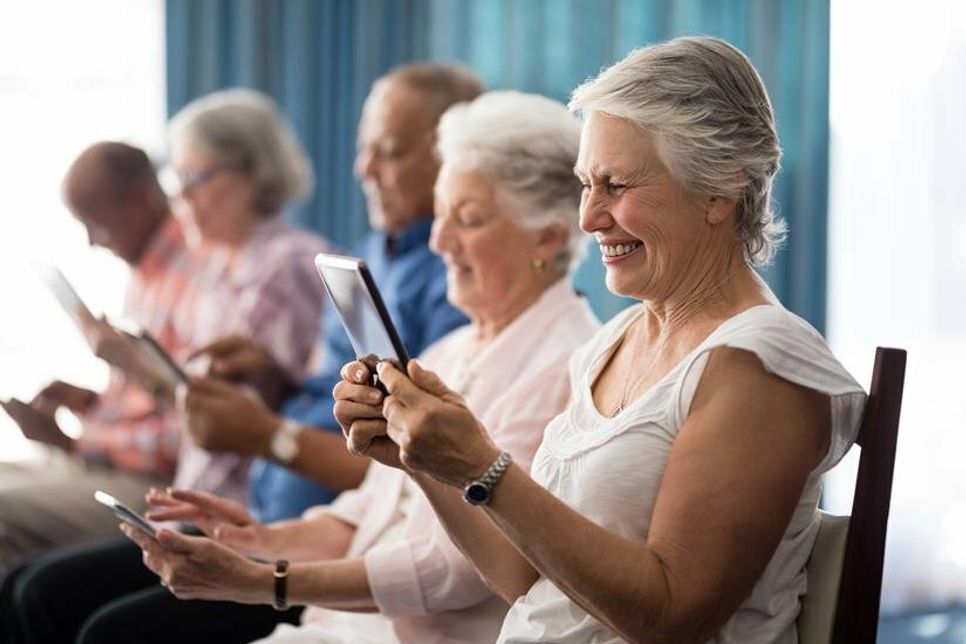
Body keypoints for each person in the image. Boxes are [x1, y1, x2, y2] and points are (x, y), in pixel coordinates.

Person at [336, 37, 869, 643]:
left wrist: (483, 465)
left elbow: (670, 616)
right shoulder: (610, 344)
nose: (588, 218)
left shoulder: (761, 364)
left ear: (720, 188)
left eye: (615, 185)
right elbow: (521, 578)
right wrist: (428, 460)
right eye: (586, 184)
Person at [10, 64, 484, 644]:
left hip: (307, 521)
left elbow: (409, 457)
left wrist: (263, 437)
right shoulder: (372, 253)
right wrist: (274, 383)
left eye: (388, 151)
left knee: (83, 615)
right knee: (42, 593)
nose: (364, 169)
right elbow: (332, 401)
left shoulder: (443, 283)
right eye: (365, 150)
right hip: (277, 510)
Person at [120, 90, 600, 644]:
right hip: (339, 627)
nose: (439, 241)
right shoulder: (451, 349)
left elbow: (459, 570)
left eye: (467, 220)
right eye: (441, 215)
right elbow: (365, 512)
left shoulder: (566, 366)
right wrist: (254, 539)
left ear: (549, 236)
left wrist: (265, 582)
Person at [3, 89, 331, 644]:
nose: (180, 196)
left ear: (250, 173)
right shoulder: (224, 263)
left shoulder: (285, 265)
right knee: (34, 589)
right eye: (178, 178)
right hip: (199, 492)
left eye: (194, 178)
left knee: (57, 601)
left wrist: (129, 387)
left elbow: (251, 418)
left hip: (236, 504)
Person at [0, 141, 200, 576]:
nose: (92, 242)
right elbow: (150, 401)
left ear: (139, 199)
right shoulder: (147, 274)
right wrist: (88, 403)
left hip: (155, 484)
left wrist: (74, 443)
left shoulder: (197, 276)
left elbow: (192, 430)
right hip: (110, 462)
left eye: (95, 223)